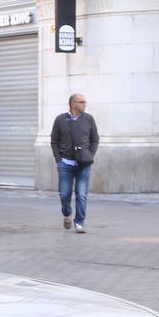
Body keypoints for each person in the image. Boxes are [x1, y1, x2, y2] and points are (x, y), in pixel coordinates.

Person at [50, 93, 98, 233]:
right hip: (65, 164)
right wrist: (59, 160)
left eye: (85, 101)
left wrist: (90, 154)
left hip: (84, 164)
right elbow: (54, 141)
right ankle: (66, 214)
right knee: (65, 194)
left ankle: (79, 223)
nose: (85, 104)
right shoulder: (60, 120)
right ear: (73, 104)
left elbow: (95, 139)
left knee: (81, 194)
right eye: (82, 102)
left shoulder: (89, 119)